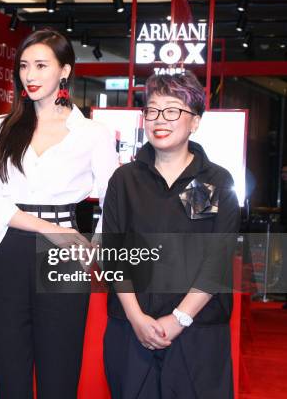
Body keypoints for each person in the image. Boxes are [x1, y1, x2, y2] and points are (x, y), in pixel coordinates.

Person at [0, 28, 119, 398]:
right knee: (10, 368)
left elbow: (114, 199)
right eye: (23, 66)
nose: (30, 76)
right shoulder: (1, 127)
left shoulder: (93, 133)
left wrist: (94, 247)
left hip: (65, 256)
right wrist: (46, 228)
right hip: (7, 248)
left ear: (64, 71)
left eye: (40, 65)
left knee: (60, 369)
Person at [102, 72, 240, 398]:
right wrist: (137, 319)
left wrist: (179, 319)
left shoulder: (214, 181)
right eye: (152, 110)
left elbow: (216, 261)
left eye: (172, 110)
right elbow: (114, 255)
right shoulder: (125, 181)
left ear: (195, 122)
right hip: (132, 330)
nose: (159, 119)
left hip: (198, 332)